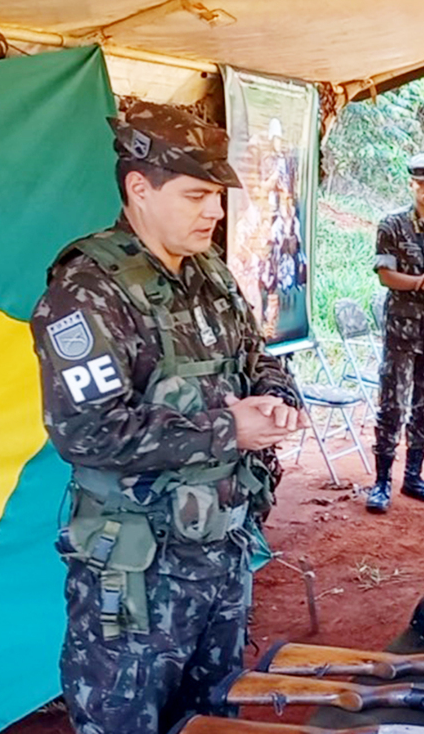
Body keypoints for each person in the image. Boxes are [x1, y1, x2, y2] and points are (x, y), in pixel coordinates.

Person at [31, 102, 306, 733]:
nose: (214, 211)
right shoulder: (88, 290)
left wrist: (273, 397)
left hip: (223, 552)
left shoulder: (209, 273)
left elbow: (259, 359)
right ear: (139, 189)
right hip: (138, 571)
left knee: (214, 717)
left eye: (216, 196)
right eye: (197, 196)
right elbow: (87, 430)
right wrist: (229, 429)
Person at [366, 153, 424, 513]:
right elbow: (386, 275)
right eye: (422, 183)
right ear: (411, 185)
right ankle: (381, 482)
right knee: (392, 406)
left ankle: (414, 476)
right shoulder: (392, 225)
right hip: (402, 332)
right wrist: (423, 282)